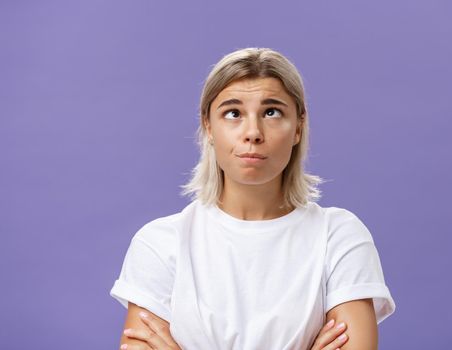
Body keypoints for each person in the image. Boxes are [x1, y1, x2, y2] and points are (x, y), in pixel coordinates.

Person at [110, 47, 396, 350]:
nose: (253, 133)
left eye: (271, 112)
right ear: (208, 126)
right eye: (233, 113)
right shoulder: (160, 243)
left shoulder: (339, 237)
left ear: (298, 126)